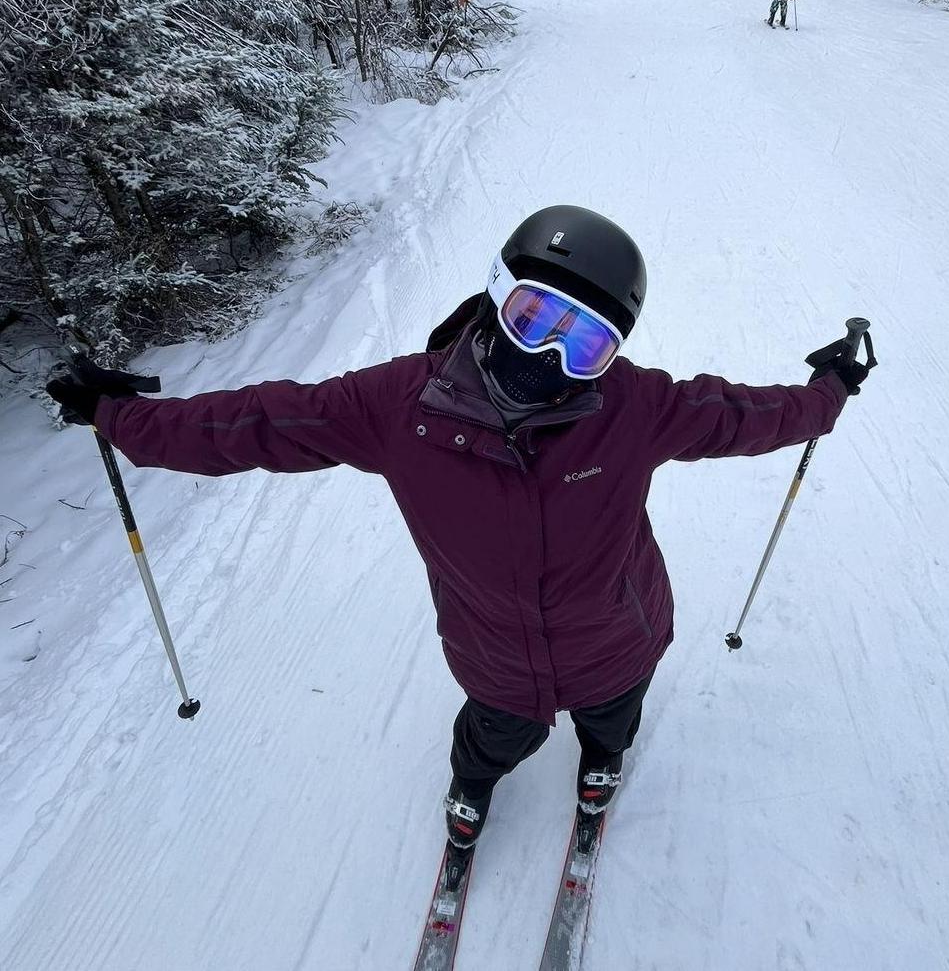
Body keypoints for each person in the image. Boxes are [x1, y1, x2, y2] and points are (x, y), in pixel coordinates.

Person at [46, 206, 868, 858]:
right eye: (534, 314)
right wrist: (122, 419)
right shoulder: (393, 408)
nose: (549, 352)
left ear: (611, 355)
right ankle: (473, 788)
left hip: (617, 633)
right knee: (490, 735)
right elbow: (255, 423)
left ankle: (602, 764)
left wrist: (828, 390)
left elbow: (751, 415)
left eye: (585, 342)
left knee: (613, 715)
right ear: (494, 292)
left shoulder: (634, 407)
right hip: (494, 654)